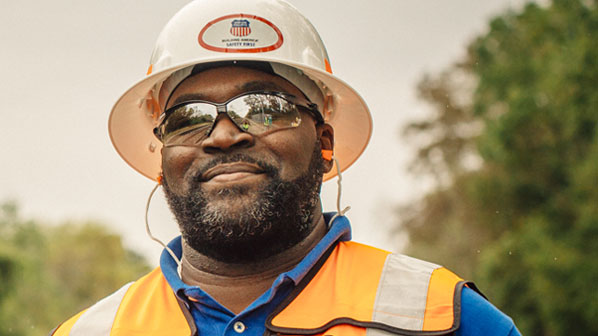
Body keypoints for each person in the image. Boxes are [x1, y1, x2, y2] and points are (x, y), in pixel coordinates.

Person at [51, 0, 520, 335]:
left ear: (324, 141)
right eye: (187, 118)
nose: (223, 135)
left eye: (264, 107)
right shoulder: (93, 332)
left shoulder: (442, 316)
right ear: (161, 161)